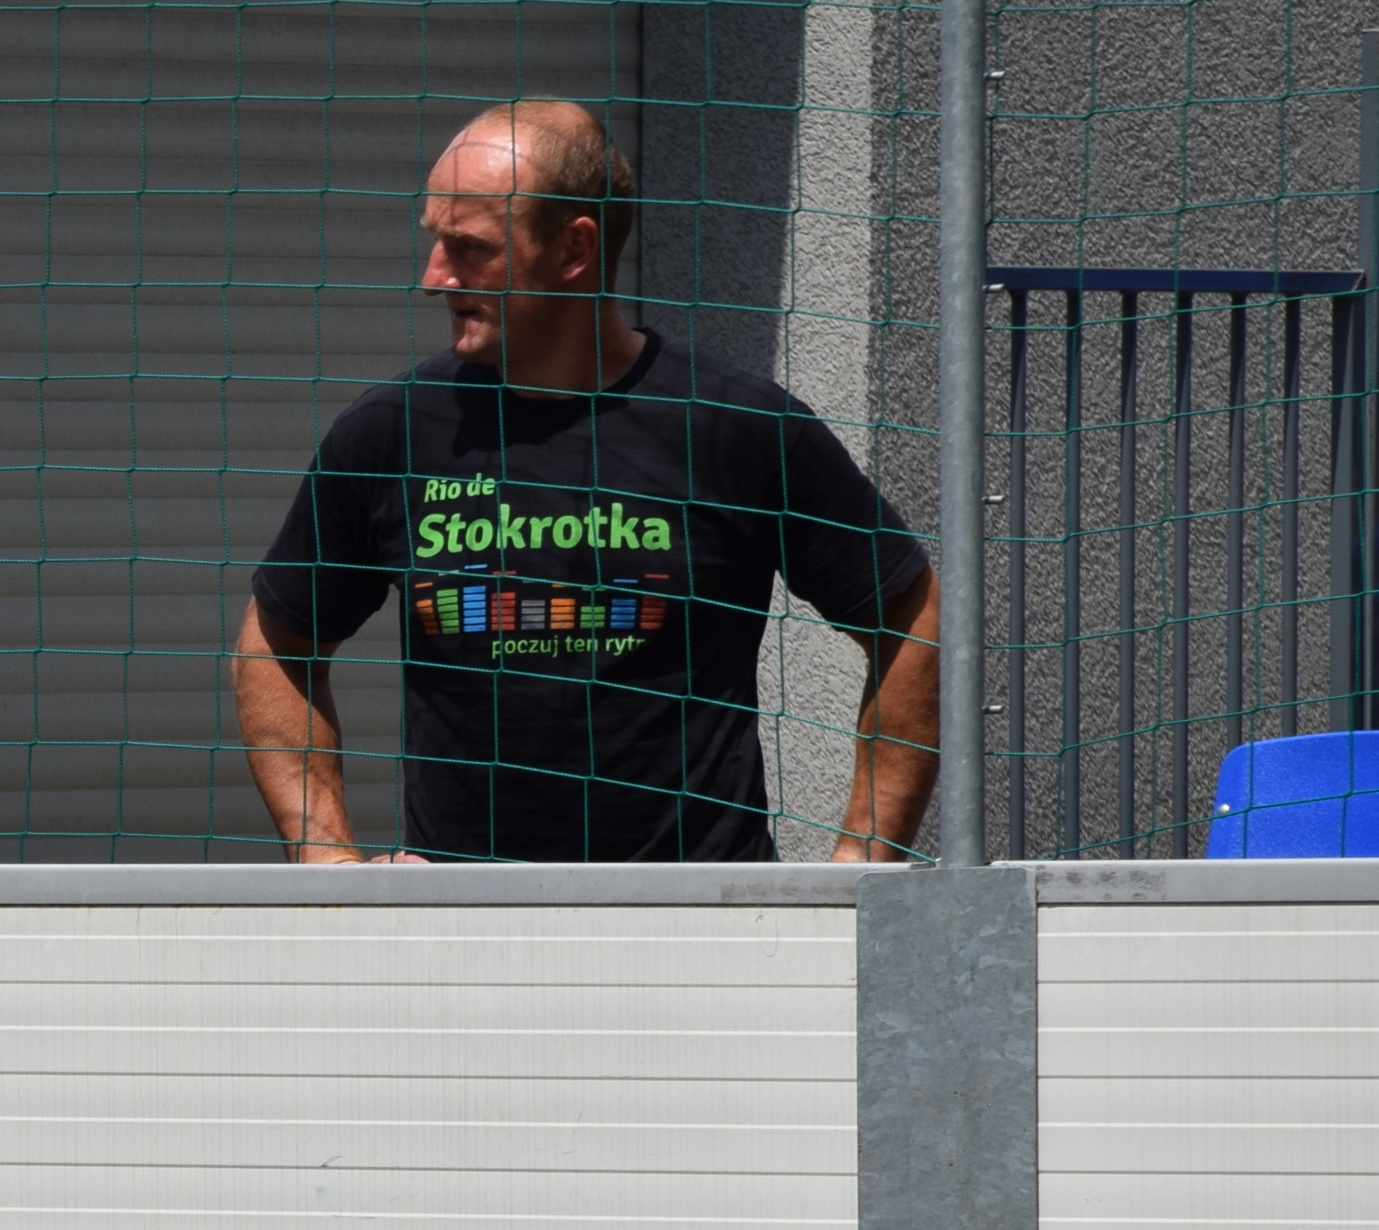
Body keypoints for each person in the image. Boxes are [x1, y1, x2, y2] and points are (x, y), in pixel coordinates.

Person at [232, 99, 941, 863]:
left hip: (700, 913)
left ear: (575, 247)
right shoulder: (393, 432)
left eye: (470, 247)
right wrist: (328, 861)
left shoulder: (735, 427)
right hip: (462, 917)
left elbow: (910, 615)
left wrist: (863, 865)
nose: (435, 276)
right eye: (435, 239)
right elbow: (275, 644)